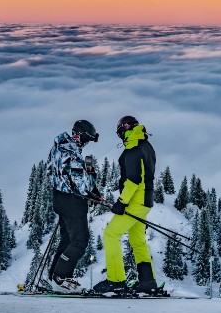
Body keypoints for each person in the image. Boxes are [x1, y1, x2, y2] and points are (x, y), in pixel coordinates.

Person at [93, 115, 158, 295]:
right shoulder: (147, 146)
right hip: (146, 201)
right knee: (137, 241)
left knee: (110, 234)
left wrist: (122, 203)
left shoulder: (133, 148)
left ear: (123, 130)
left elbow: (133, 180)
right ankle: (147, 281)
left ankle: (116, 281)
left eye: (119, 132)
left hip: (135, 201)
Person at [46, 119, 101, 293]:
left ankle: (53, 277)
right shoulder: (72, 153)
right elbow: (82, 185)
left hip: (60, 198)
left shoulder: (58, 147)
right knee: (80, 240)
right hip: (73, 202)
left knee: (68, 239)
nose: (85, 144)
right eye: (85, 140)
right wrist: (91, 173)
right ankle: (61, 278)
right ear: (78, 135)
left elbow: (49, 170)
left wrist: (92, 192)